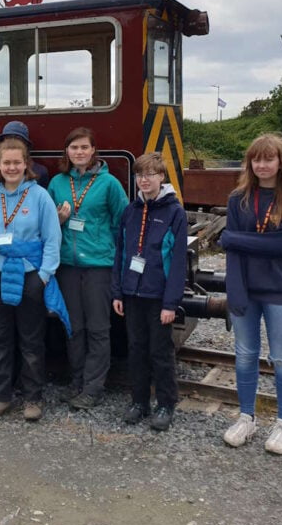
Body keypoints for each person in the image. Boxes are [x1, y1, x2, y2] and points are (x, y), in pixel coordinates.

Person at [219, 132, 282, 455]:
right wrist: (234, 290)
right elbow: (233, 252)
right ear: (250, 163)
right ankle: (247, 417)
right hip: (246, 289)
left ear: (280, 162)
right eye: (256, 159)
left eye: (268, 158)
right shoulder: (238, 199)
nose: (262, 165)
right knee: (244, 356)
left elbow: (280, 245)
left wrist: (234, 238)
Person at [0, 138, 68, 422]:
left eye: (17, 162)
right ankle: (1, 397)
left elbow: (52, 238)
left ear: (26, 164)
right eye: (6, 163)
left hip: (29, 275)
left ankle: (33, 398)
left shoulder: (39, 196)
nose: (11, 167)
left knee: (31, 339)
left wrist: (44, 275)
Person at [47, 127, 128, 409]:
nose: (79, 152)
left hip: (98, 267)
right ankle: (77, 381)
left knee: (97, 328)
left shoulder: (110, 185)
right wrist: (57, 220)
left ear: (94, 150)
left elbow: (122, 225)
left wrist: (116, 259)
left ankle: (93, 388)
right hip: (67, 267)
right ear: (66, 152)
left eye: (84, 147)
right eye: (74, 148)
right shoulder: (57, 183)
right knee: (74, 328)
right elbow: (45, 227)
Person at [111, 152, 187, 432]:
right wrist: (118, 292)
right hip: (132, 295)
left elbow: (178, 263)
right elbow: (121, 252)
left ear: (161, 178)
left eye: (150, 175)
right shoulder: (130, 211)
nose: (144, 180)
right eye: (140, 175)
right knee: (136, 350)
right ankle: (139, 401)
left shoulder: (174, 212)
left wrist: (171, 303)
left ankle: (166, 403)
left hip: (158, 297)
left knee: (160, 352)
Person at [0, 121, 50, 189]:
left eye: (17, 139)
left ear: (26, 145)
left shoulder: (41, 172)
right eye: (8, 139)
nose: (12, 143)